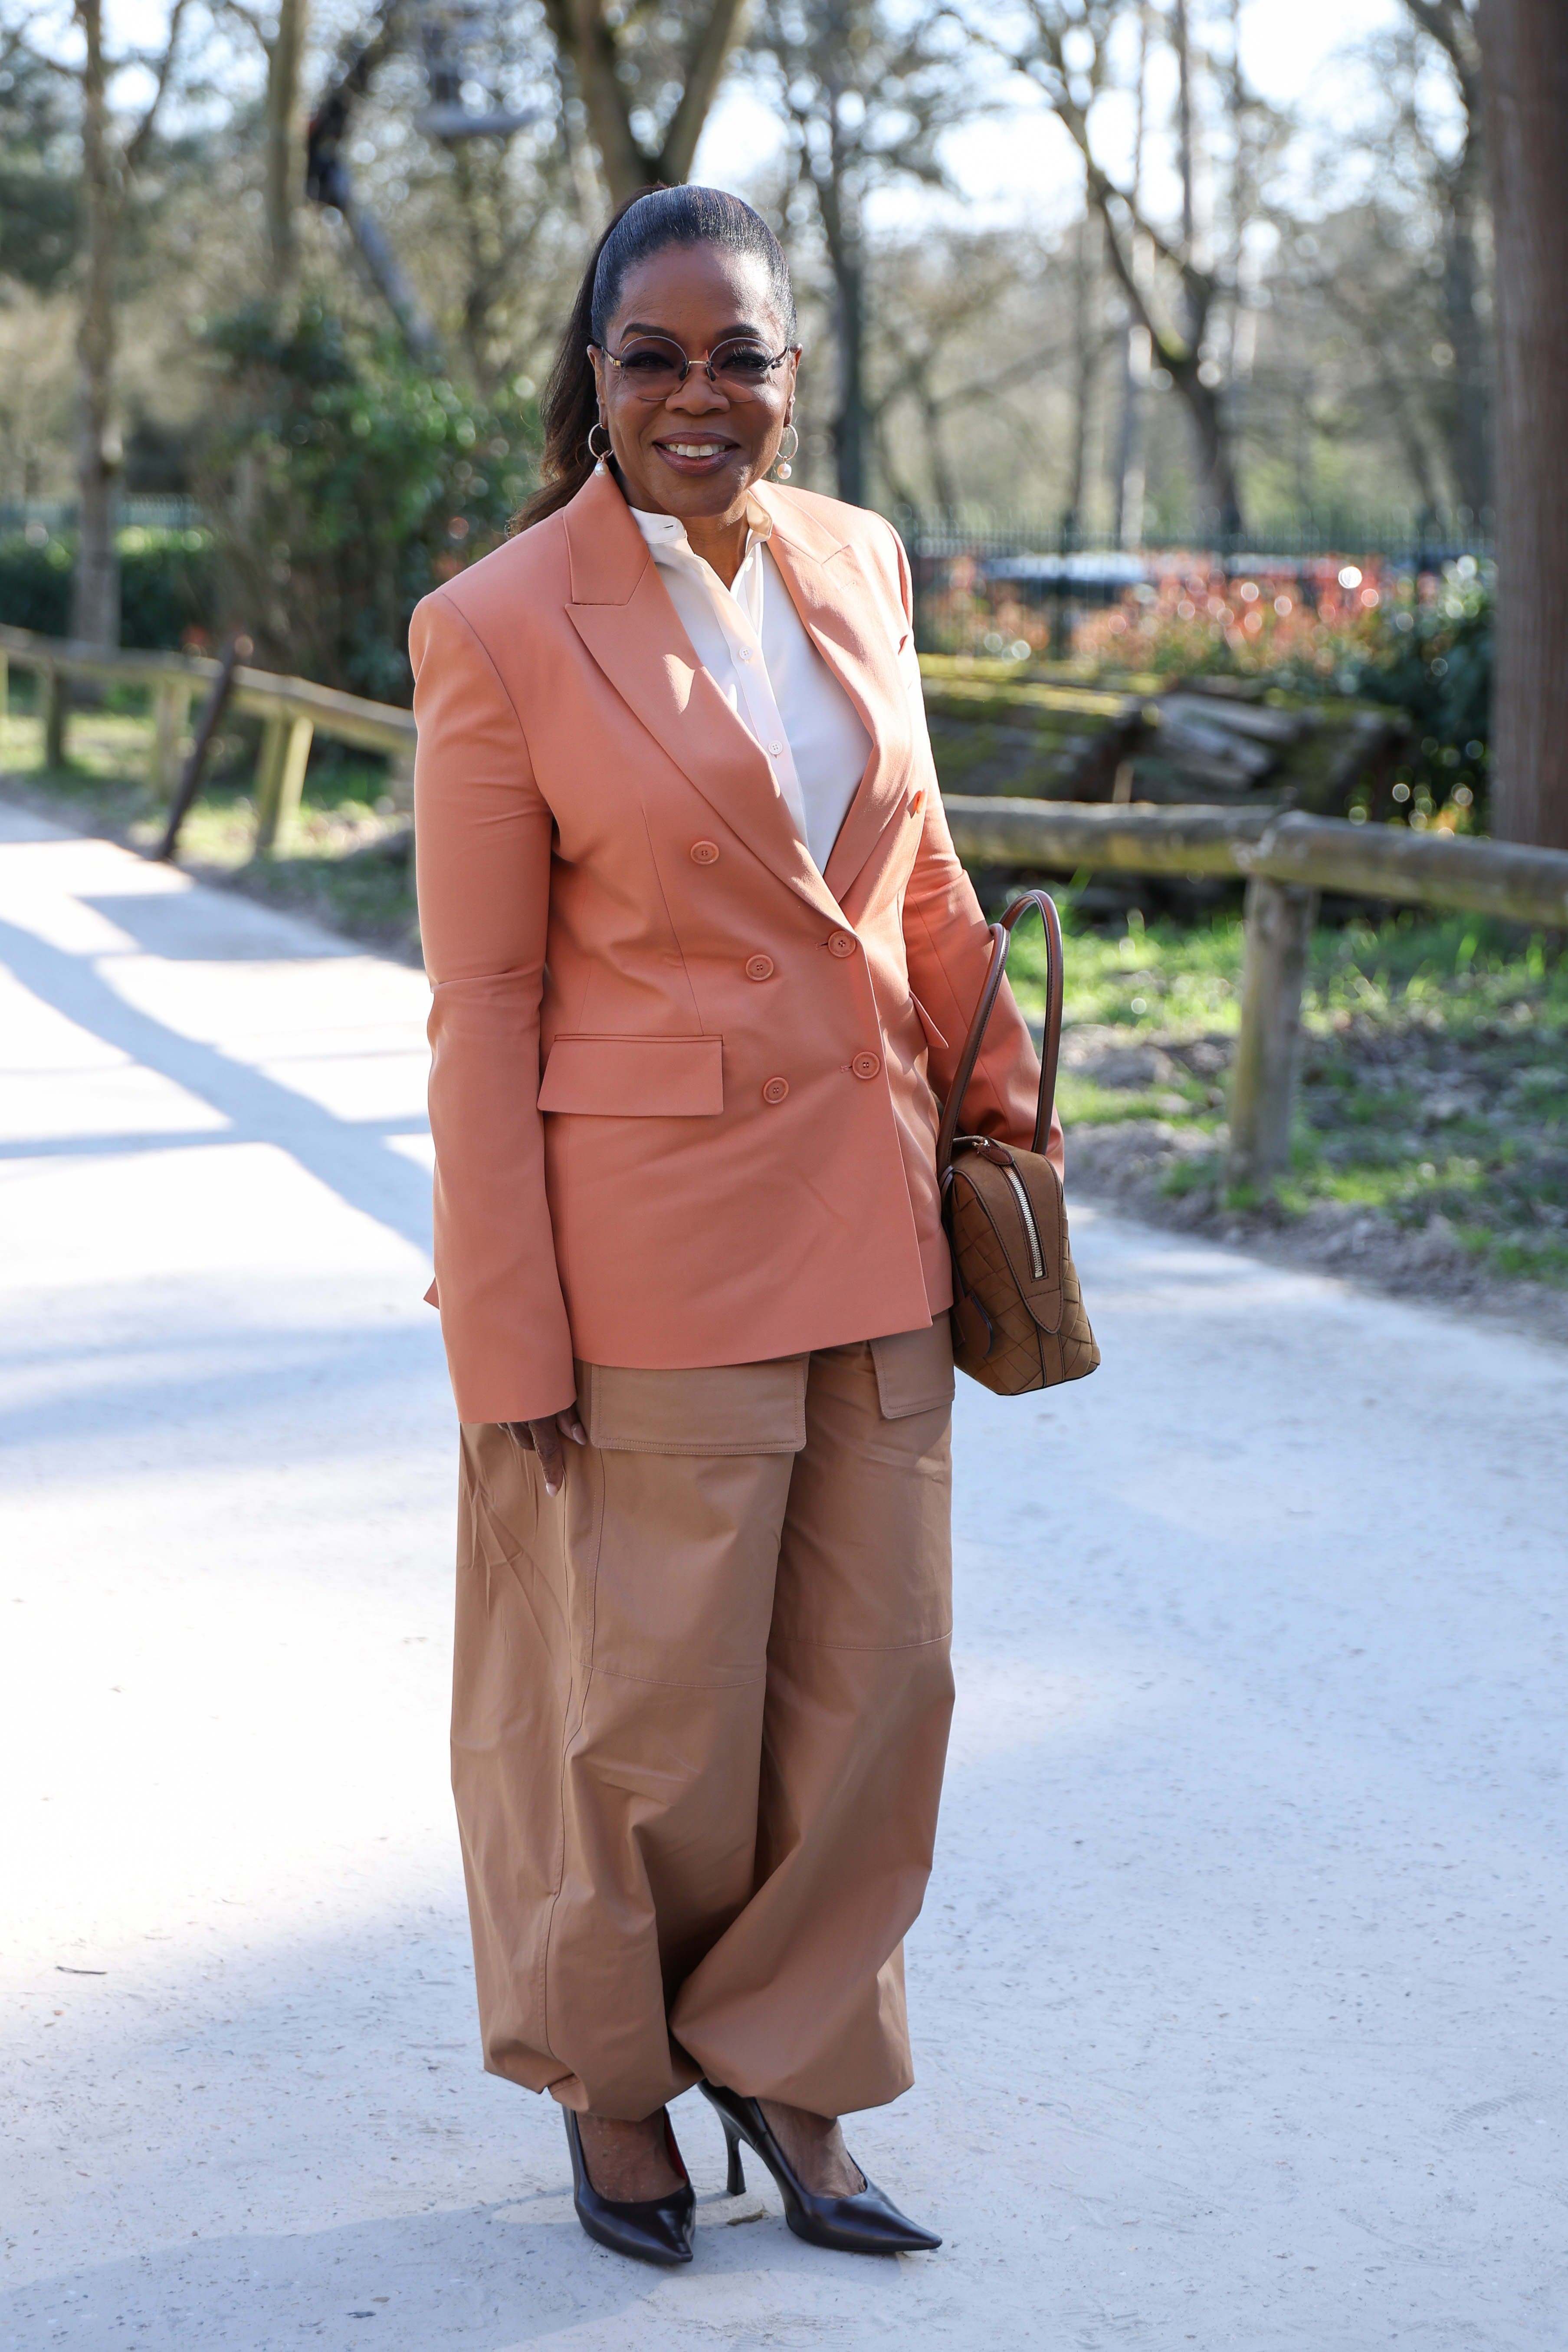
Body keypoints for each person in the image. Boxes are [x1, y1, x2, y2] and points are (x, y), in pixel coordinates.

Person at [410, 184, 1058, 2267]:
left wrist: (1004, 1102)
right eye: (654, 355)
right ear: (591, 377)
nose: (700, 392)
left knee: (882, 1681)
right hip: (648, 1245)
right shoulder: (498, 623)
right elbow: (484, 1003)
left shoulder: (860, 561)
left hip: (875, 1210)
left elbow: (926, 873)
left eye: (739, 354)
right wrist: (503, 1324)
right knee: (648, 1713)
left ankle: (795, 2067)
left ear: (795, 370)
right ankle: (616, 2085)